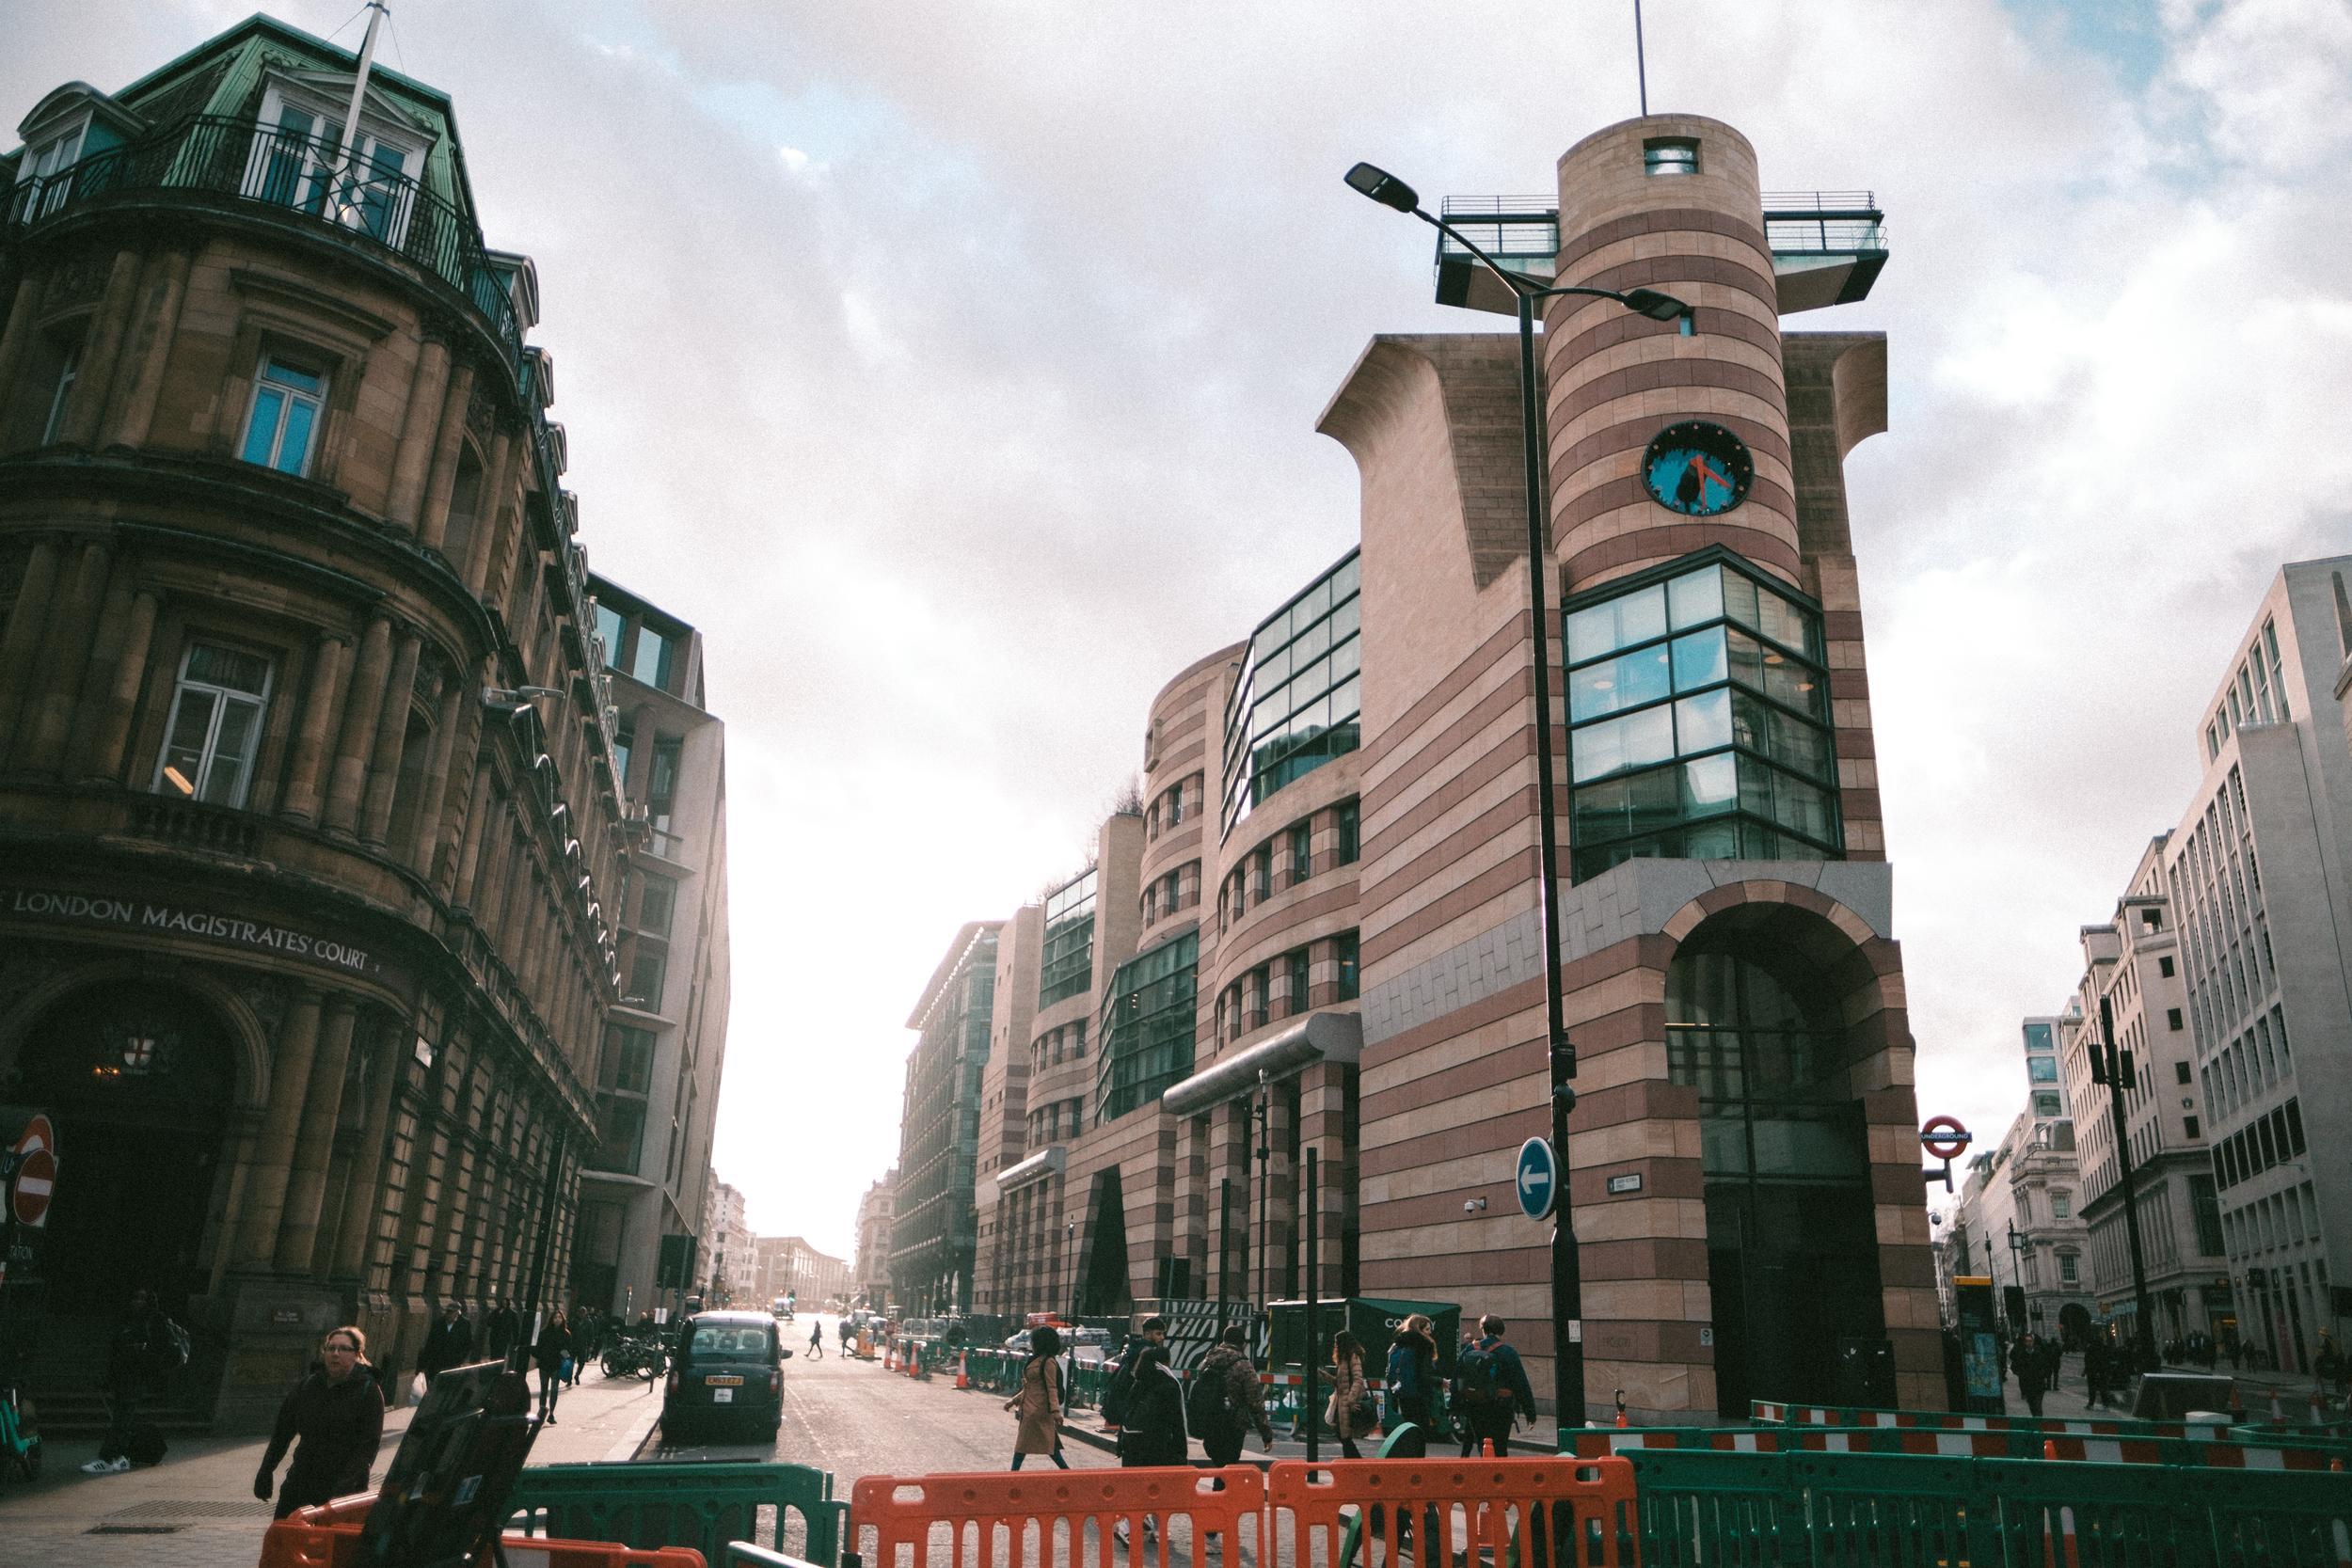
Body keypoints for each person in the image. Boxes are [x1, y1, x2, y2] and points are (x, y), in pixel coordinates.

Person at [254, 1327, 385, 1519]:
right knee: (286, 1536)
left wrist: (344, 1488)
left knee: (325, 1546)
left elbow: (368, 1446)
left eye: (343, 1349)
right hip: (301, 1480)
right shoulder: (308, 1385)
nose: (335, 1354)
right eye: (330, 1348)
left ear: (357, 1355)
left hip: (342, 1488)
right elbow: (283, 1431)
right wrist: (266, 1470)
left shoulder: (368, 1391)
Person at [84, 1288, 178, 1474]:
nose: (137, 1302)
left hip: (136, 1377)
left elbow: (161, 1351)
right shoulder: (126, 1321)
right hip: (123, 1376)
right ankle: (121, 1457)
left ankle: (108, 1458)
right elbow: (115, 1352)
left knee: (122, 1419)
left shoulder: (153, 1321)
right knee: (123, 1419)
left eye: (142, 1299)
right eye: (135, 1298)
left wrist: (142, 1353)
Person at [1452, 1316, 1538, 1456]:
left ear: (1483, 1330)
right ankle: (1499, 1475)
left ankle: (1486, 1470)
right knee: (1500, 1446)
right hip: (1501, 1406)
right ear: (1501, 1331)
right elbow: (1521, 1383)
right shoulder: (1508, 1352)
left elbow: (1457, 1378)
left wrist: (1456, 1406)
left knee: (1483, 1445)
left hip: (1476, 1405)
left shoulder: (1469, 1350)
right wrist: (1530, 1413)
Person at [1193, 1325, 1273, 1467]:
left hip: (1210, 1420)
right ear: (1243, 1344)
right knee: (1229, 1466)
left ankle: (1218, 1488)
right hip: (1233, 1423)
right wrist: (1266, 1434)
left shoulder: (1206, 1361)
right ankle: (1221, 1488)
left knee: (1219, 1464)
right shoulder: (1243, 1365)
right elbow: (1255, 1402)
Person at [1006, 1324, 1068, 1470]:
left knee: (1022, 1446)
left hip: (1037, 1412)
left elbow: (1051, 1388)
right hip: (1031, 1409)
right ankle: (1067, 1472)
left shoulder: (1048, 1362)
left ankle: (1013, 1474)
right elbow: (1031, 1387)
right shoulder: (1036, 1360)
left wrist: (1056, 1412)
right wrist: (1013, 1401)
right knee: (1050, 1447)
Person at [1116, 1343, 1187, 1466]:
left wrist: (1120, 1443)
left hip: (1131, 1444)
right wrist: (1181, 1453)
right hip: (1157, 1446)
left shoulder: (1138, 1382)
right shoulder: (1168, 1383)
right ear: (1166, 1361)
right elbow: (1176, 1420)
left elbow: (1126, 1413)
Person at [1102, 1316, 1170, 1432]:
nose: (1162, 1337)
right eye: (1158, 1334)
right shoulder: (1147, 1351)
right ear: (1148, 1334)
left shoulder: (1134, 1348)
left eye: (1163, 1334)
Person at [1382, 1314, 1438, 1436]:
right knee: (1421, 1429)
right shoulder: (1423, 1345)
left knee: (1408, 1427)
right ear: (1419, 1329)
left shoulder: (1397, 1345)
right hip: (1419, 1393)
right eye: (1427, 1329)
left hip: (1401, 1392)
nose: (1429, 1333)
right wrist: (1440, 1381)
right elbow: (1424, 1375)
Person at [1327, 1330, 1374, 1459]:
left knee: (1344, 1436)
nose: (1335, 1345)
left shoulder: (1352, 1356)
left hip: (1347, 1401)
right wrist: (1325, 1376)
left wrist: (1351, 1399)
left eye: (1337, 1342)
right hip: (1342, 1402)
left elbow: (1358, 1379)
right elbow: (1341, 1382)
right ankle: (1353, 1463)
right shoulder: (1344, 1358)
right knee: (1342, 1434)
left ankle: (1355, 1463)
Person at [418, 1300, 474, 1386]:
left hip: (453, 1362)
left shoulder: (465, 1324)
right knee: (435, 1385)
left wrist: (461, 1358)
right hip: (437, 1362)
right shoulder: (438, 1323)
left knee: (449, 1385)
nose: (449, 1314)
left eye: (452, 1312)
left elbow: (468, 1344)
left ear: (457, 1313)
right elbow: (430, 1343)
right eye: (448, 1312)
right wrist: (424, 1364)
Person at [532, 1310, 571, 1426]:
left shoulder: (566, 1334)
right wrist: (540, 1355)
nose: (557, 1319)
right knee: (543, 1390)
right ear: (552, 1319)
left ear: (562, 1319)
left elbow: (567, 1350)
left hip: (556, 1365)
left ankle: (551, 1414)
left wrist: (565, 1356)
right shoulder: (544, 1333)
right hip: (544, 1364)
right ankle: (541, 1413)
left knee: (554, 1390)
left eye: (560, 1317)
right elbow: (538, 1348)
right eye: (555, 1317)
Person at [2010, 1332, 2049, 1418]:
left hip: (2039, 1384)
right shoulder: (2022, 1355)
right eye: (2027, 1341)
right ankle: (2036, 1419)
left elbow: (2046, 1366)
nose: (2029, 1343)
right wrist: (2021, 1374)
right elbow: (2014, 1366)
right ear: (2024, 1342)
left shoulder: (2039, 1354)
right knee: (2032, 1405)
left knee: (2038, 1405)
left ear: (2033, 1342)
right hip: (2028, 1385)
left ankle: (2038, 1423)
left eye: (2031, 1341)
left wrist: (2043, 1375)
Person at [484, 1299, 521, 1367]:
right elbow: (489, 1322)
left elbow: (516, 1328)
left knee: (501, 1355)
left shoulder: (512, 1314)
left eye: (505, 1303)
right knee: (493, 1355)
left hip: (504, 1338)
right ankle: (493, 1368)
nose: (504, 1304)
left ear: (508, 1304)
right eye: (503, 1303)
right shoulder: (496, 1311)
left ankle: (499, 1369)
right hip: (494, 1337)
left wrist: (516, 1340)